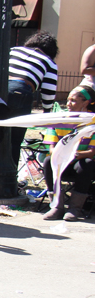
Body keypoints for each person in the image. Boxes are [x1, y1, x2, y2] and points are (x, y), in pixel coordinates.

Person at [0, 31, 59, 169]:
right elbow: (48, 93)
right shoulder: (49, 62)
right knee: (15, 140)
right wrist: (47, 112)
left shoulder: (13, 50)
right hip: (21, 92)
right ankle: (9, 174)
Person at [41, 84, 95, 221]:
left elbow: (91, 152)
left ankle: (74, 209)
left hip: (81, 162)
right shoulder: (59, 119)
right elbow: (52, 147)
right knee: (48, 161)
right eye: (68, 100)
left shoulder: (92, 122)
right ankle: (57, 207)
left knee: (86, 164)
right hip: (62, 161)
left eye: (73, 101)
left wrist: (72, 155)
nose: (68, 104)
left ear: (85, 103)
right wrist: (61, 154)